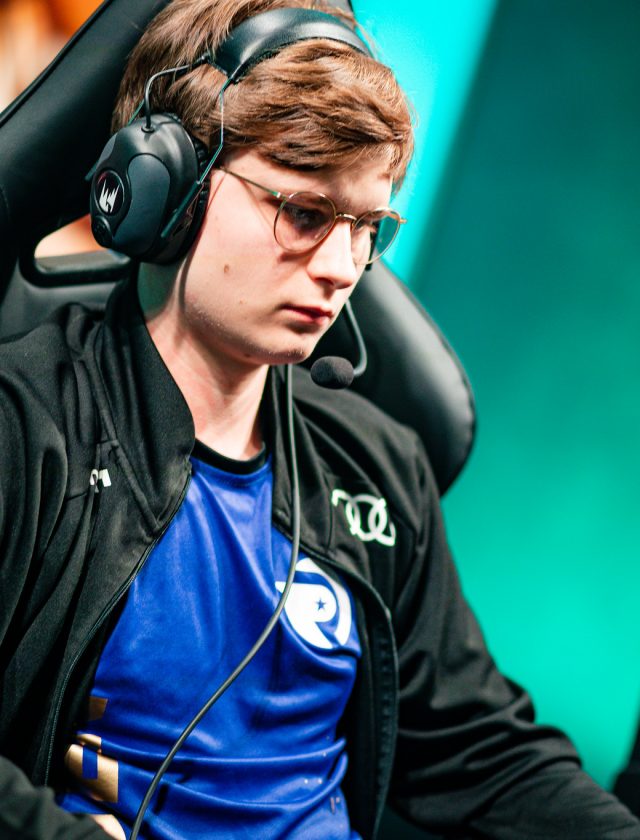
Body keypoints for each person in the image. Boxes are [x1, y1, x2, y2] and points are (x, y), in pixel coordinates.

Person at [0, 0, 639, 838]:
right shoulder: (27, 427)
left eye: (367, 227)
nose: (344, 269)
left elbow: (482, 754)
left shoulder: (378, 462)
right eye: (304, 214)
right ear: (169, 189)